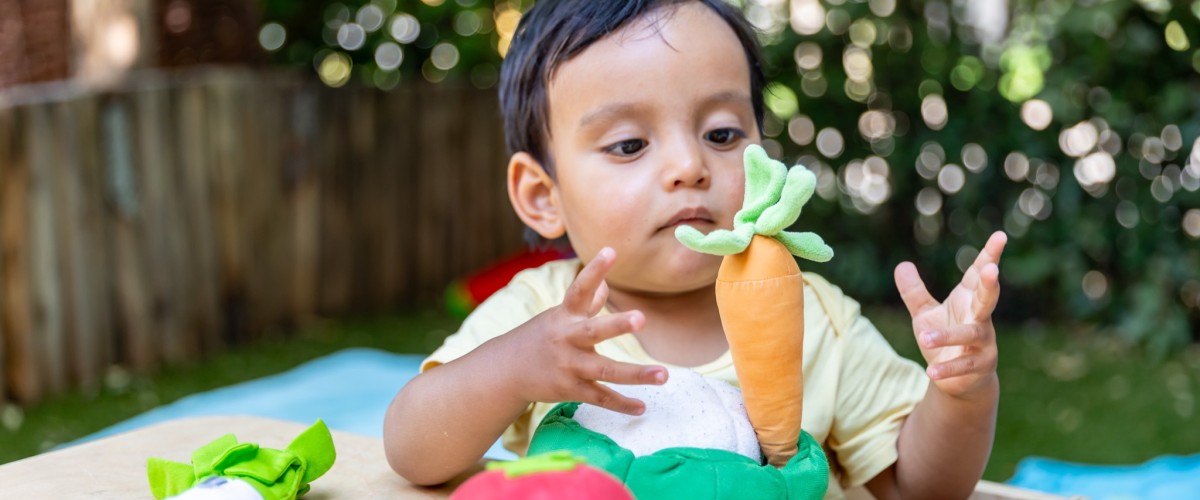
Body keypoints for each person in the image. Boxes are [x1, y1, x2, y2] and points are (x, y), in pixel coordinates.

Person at [383, 1, 1008, 497]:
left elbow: (918, 486)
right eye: (629, 144)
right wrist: (512, 369)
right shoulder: (540, 318)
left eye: (721, 133)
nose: (689, 165)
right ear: (543, 195)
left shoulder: (817, 320)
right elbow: (412, 451)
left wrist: (962, 391)